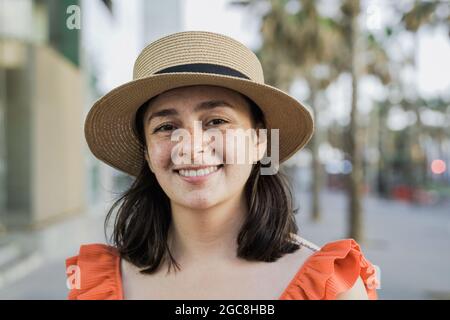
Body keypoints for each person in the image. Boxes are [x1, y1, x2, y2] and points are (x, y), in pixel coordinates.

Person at [65, 31, 379, 300]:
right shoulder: (98, 285)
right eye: (166, 127)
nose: (191, 146)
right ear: (147, 152)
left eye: (216, 121)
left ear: (259, 141)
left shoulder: (331, 287)